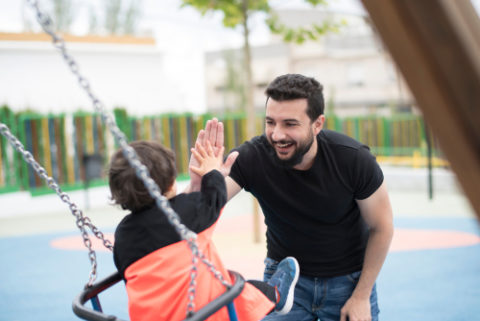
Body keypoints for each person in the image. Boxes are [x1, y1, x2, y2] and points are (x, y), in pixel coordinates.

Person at [188, 74, 394, 321]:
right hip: (284, 280)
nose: (277, 134)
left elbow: (382, 227)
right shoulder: (252, 157)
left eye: (290, 124)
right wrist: (199, 183)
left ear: (317, 124)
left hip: (348, 281)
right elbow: (199, 213)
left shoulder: (353, 160)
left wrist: (361, 296)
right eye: (270, 122)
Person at [108, 140, 300, 321]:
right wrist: (212, 172)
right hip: (205, 313)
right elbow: (215, 197)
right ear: (170, 183)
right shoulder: (188, 212)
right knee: (243, 289)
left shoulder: (123, 235)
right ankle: (276, 294)